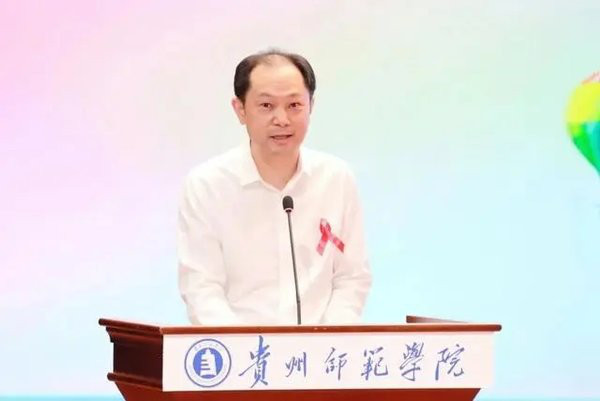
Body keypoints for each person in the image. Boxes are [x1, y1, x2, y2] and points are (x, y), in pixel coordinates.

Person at [177, 49, 371, 325]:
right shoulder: (207, 185)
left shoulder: (336, 179)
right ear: (240, 110)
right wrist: (246, 346)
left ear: (311, 106)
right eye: (266, 105)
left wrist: (327, 340)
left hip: (321, 348)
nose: (282, 119)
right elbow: (202, 288)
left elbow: (351, 278)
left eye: (294, 105)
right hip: (240, 348)